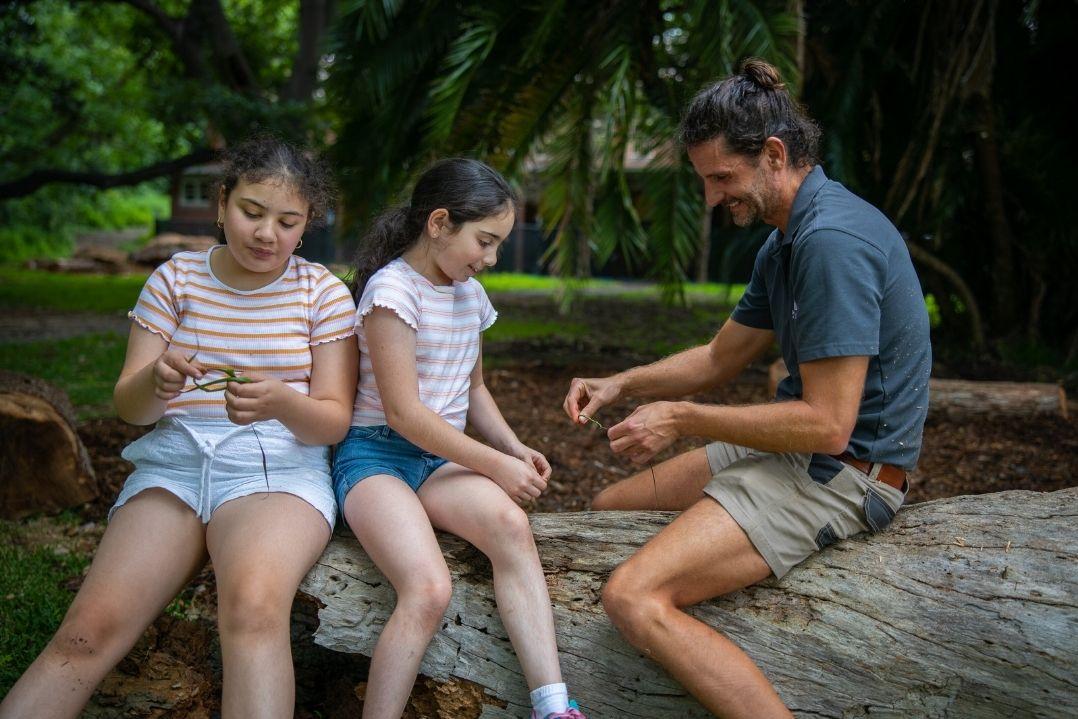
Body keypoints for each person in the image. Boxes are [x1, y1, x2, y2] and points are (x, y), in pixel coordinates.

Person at [563, 58, 931, 718]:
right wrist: (623, 382)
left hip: (846, 473)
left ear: (774, 154)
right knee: (607, 510)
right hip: (798, 451)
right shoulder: (784, 242)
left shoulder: (833, 242)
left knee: (632, 595)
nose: (709, 197)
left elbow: (827, 424)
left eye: (720, 178)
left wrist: (681, 417)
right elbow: (717, 356)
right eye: (703, 179)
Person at [0, 135, 359, 719]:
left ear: (306, 225)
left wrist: (279, 403)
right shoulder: (177, 279)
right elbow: (131, 409)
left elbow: (331, 421)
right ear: (222, 204)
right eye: (252, 211)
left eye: (287, 221)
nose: (267, 233)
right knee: (87, 633)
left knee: (251, 610)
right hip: (175, 464)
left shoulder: (320, 293)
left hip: (274, 471)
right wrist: (156, 380)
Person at [334, 158, 586, 719]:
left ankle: (553, 706)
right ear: (439, 222)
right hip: (377, 457)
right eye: (485, 241)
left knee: (511, 528)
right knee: (428, 588)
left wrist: (514, 448)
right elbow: (403, 414)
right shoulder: (392, 291)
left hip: (438, 458)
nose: (492, 258)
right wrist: (496, 466)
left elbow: (474, 391)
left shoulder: (469, 296)